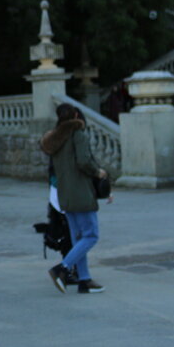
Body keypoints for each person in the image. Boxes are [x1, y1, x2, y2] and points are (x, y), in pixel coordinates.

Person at [40, 104, 110, 294]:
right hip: (81, 192)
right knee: (91, 235)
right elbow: (84, 161)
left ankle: (84, 280)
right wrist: (98, 172)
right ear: (77, 115)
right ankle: (62, 268)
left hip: (65, 193)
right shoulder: (78, 135)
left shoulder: (54, 140)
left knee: (78, 236)